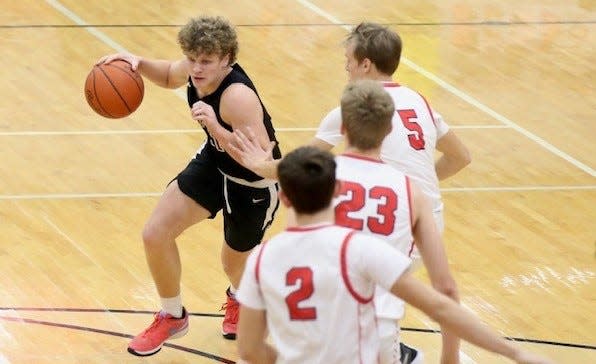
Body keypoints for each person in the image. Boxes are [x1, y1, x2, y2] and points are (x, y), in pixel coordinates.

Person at [226, 21, 470, 363]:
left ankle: (397, 354)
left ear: (365, 63)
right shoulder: (421, 101)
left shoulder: (353, 110)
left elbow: (303, 166)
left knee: (342, 283)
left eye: (349, 60)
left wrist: (259, 164)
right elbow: (461, 157)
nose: (346, 65)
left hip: (400, 225)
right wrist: (414, 188)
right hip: (410, 216)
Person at [235, 145, 554, 364]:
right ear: (337, 191)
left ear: (283, 197)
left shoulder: (261, 259)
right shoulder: (358, 249)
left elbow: (248, 350)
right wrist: (515, 353)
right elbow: (441, 307)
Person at [97, 16, 281, 356]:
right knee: (155, 233)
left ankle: (242, 298)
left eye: (206, 61)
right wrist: (135, 62)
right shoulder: (197, 67)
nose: (196, 68)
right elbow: (169, 74)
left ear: (227, 59)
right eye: (192, 58)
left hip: (252, 182)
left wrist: (215, 126)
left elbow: (255, 160)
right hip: (214, 162)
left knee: (233, 264)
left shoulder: (237, 97)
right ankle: (172, 315)